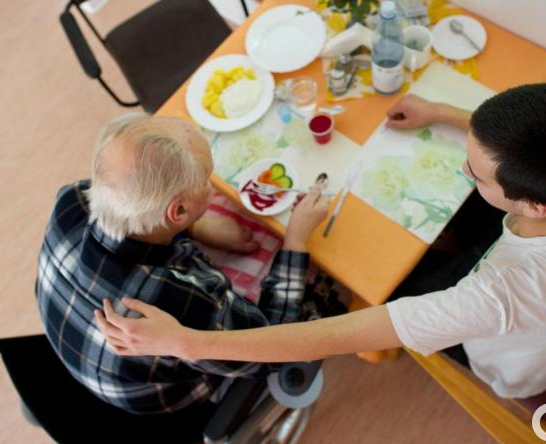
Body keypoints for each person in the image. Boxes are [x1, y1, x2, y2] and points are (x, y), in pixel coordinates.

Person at [94, 84, 546, 399]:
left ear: (534, 203)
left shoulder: (495, 298)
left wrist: (187, 342)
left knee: (395, 279)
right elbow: (518, 154)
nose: (465, 171)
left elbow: (328, 335)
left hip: (517, 365)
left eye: (476, 172)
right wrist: (442, 113)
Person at [36, 112, 337, 415]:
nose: (211, 187)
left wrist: (197, 227)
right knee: (321, 291)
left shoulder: (71, 199)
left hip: (77, 342)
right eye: (207, 180)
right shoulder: (177, 300)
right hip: (157, 399)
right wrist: (296, 239)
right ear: (177, 212)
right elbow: (273, 344)